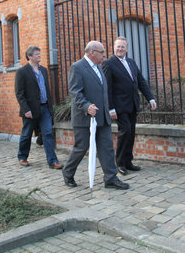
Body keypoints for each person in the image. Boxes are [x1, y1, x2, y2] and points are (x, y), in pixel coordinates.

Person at [62, 41, 129, 190]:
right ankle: (67, 172)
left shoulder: (99, 67)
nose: (104, 55)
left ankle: (111, 178)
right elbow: (75, 92)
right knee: (81, 147)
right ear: (92, 52)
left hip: (102, 117)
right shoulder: (77, 67)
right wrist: (86, 106)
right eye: (102, 52)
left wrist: (108, 111)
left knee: (107, 148)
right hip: (84, 118)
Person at [102, 36, 156, 175]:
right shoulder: (108, 64)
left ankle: (128, 161)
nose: (120, 49)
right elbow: (107, 88)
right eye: (118, 46)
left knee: (131, 134)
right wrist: (110, 108)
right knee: (124, 131)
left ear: (127, 48)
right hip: (119, 106)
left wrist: (150, 98)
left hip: (132, 104)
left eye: (123, 47)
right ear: (114, 48)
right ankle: (119, 163)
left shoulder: (131, 62)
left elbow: (141, 82)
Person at [14, 46, 63, 169]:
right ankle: (22, 157)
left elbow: (47, 89)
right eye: (37, 54)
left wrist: (50, 107)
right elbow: (19, 93)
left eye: (39, 54)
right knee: (26, 134)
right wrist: (26, 109)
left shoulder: (44, 70)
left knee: (48, 133)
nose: (39, 56)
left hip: (45, 108)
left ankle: (52, 161)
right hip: (30, 110)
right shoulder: (22, 72)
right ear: (30, 56)